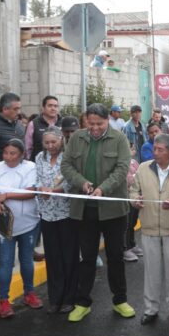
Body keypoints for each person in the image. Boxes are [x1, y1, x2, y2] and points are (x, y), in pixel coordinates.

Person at [61, 103, 134, 322]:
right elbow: (66, 166)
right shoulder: (77, 138)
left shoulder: (119, 138)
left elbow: (122, 168)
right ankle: (83, 302)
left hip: (113, 210)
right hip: (85, 210)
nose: (94, 128)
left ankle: (120, 300)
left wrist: (104, 189)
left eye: (99, 124)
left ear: (107, 121)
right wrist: (82, 183)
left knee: (115, 256)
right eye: (90, 123)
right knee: (88, 257)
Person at [129, 134, 169, 326]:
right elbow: (133, 190)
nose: (155, 152)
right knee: (151, 271)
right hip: (148, 227)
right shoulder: (143, 167)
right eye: (155, 148)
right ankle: (151, 309)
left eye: (160, 149)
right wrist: (135, 200)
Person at [0, 139, 42, 318]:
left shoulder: (31, 167)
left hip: (28, 224)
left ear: (22, 154)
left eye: (13, 153)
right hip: (2, 227)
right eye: (5, 152)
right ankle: (4, 301)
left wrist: (6, 195)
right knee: (6, 264)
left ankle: (29, 294)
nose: (8, 157)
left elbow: (32, 191)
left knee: (26, 261)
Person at [34, 127, 79, 315]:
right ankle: (55, 298)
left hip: (66, 213)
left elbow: (72, 183)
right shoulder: (39, 158)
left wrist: (55, 191)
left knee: (69, 256)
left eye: (54, 142)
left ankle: (70, 298)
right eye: (47, 142)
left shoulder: (68, 158)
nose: (50, 146)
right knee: (52, 258)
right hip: (46, 214)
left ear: (61, 140)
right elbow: (35, 179)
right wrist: (41, 189)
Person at [25, 96, 62, 161]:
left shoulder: (63, 123)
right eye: (50, 106)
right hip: (38, 164)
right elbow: (28, 147)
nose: (53, 108)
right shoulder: (33, 124)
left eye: (55, 106)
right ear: (43, 108)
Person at [123, 141, 142, 263]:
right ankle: (124, 248)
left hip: (136, 196)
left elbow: (140, 177)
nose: (132, 149)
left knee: (133, 222)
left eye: (132, 147)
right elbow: (128, 181)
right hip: (126, 197)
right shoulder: (122, 164)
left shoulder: (135, 163)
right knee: (126, 224)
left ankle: (131, 244)